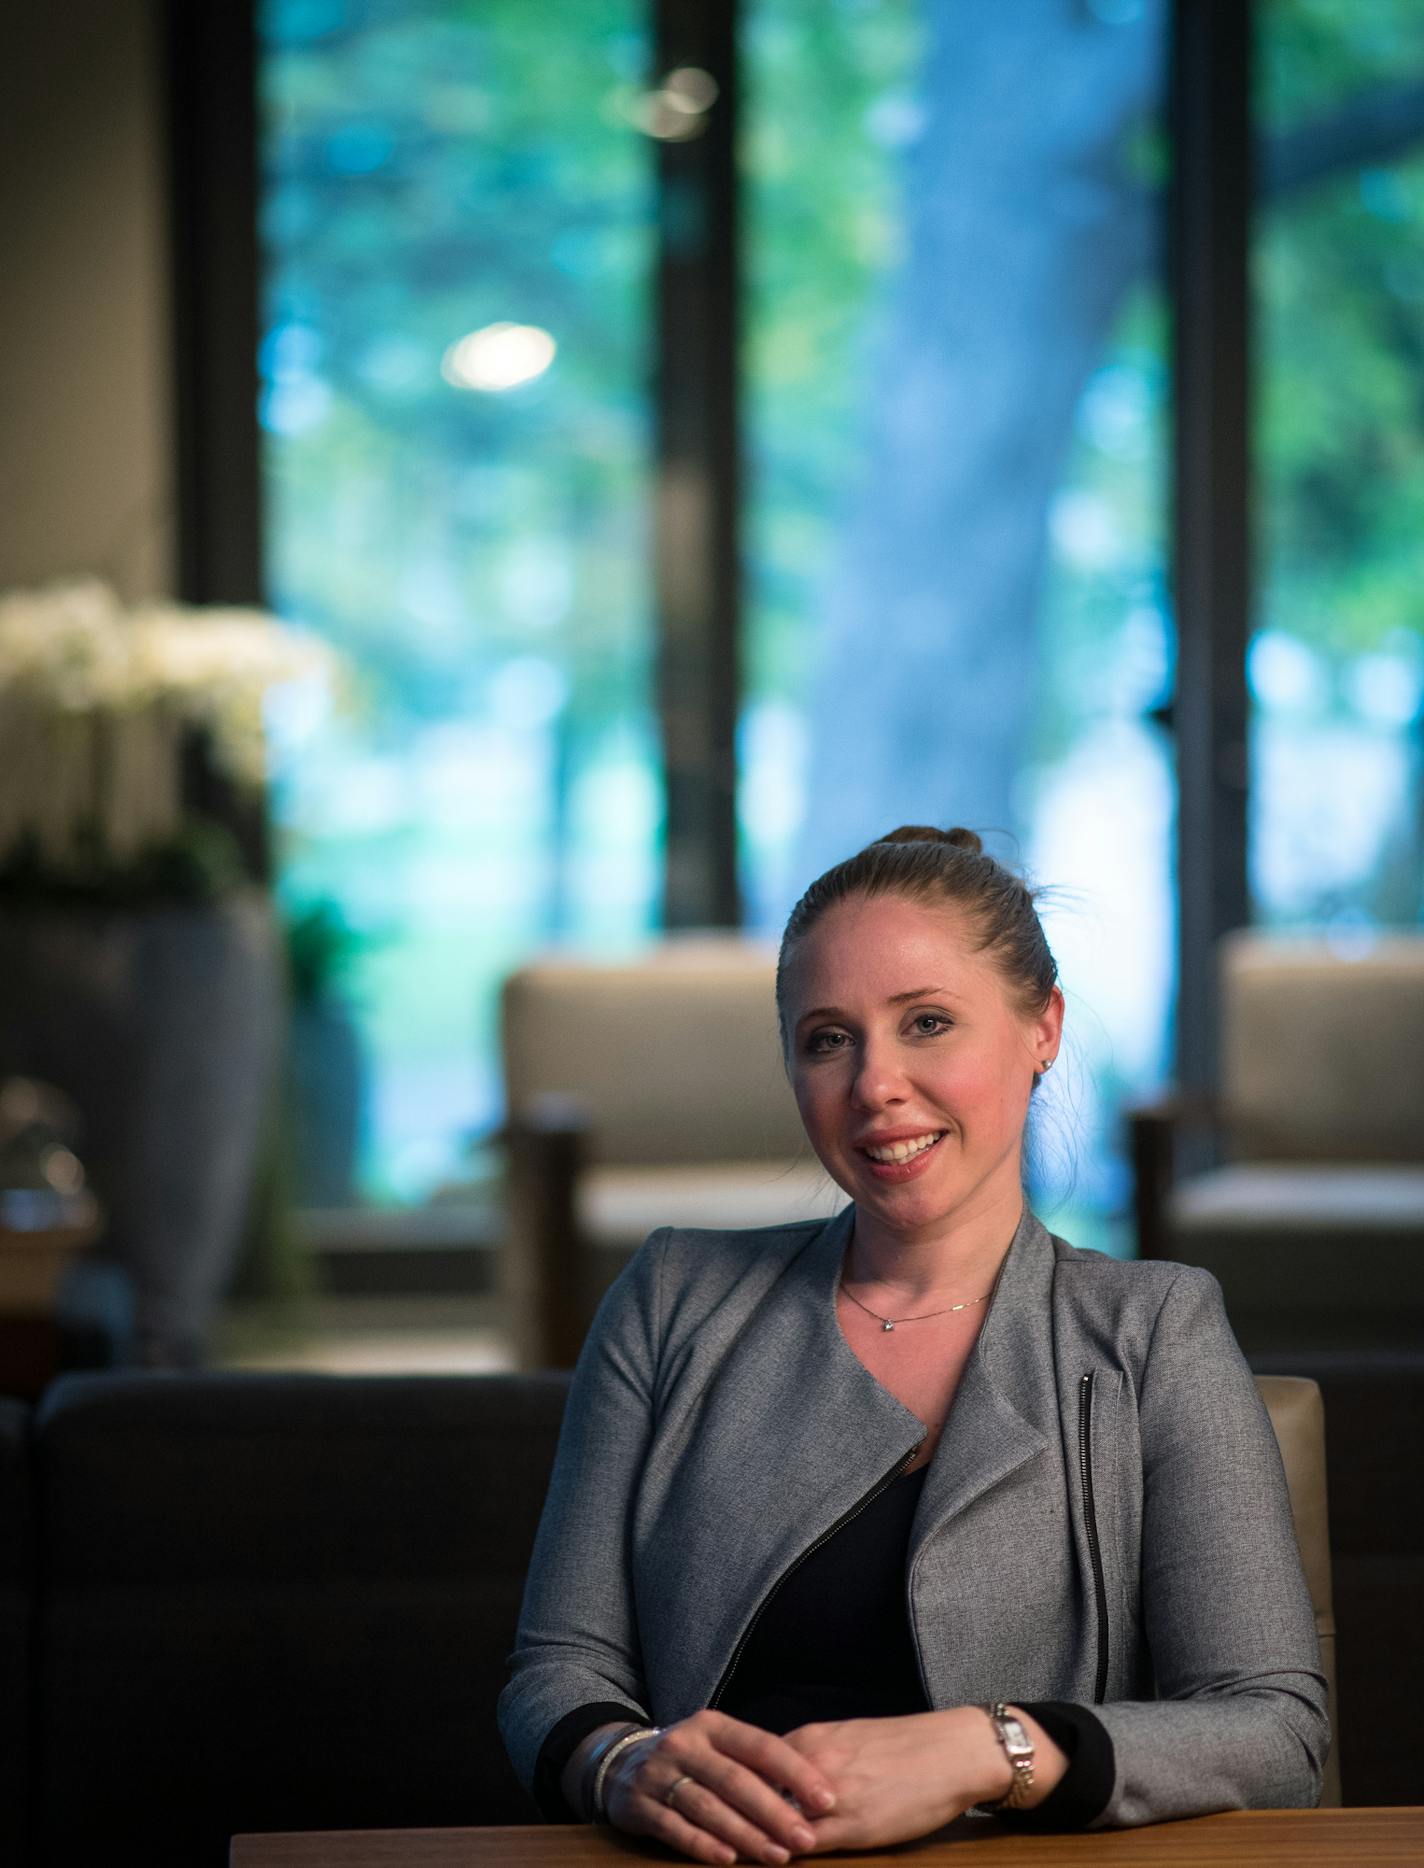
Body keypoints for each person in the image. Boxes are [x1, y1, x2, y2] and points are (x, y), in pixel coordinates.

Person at [498, 827, 1328, 1862]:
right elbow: (556, 1671)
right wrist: (618, 1763)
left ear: (1042, 1028)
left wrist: (988, 1748)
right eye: (825, 1038)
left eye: (926, 1021)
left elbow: (1272, 1727)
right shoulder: (669, 1297)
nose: (873, 1084)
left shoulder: (1155, 1328)